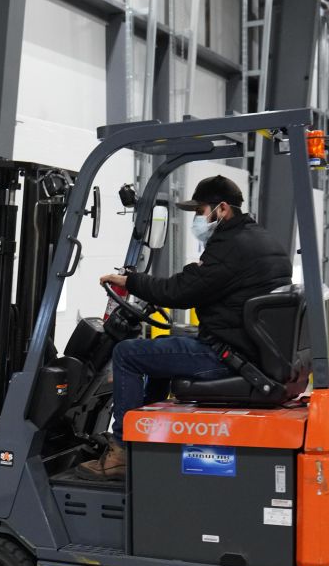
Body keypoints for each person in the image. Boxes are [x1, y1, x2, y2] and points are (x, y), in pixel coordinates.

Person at [77, 175, 293, 481]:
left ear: (221, 209)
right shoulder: (260, 239)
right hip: (247, 348)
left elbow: (181, 292)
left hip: (227, 356)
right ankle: (147, 437)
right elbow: (200, 285)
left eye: (200, 211)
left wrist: (131, 281)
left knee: (127, 353)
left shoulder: (231, 245)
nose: (197, 219)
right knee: (161, 350)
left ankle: (122, 449)